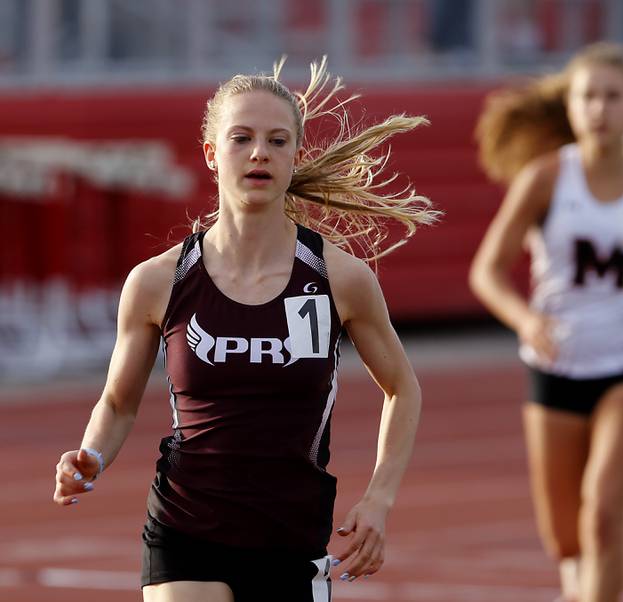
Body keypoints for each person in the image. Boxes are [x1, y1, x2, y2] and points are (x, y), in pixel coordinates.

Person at [53, 57, 438, 602]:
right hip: (186, 525)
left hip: (290, 533)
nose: (260, 152)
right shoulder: (158, 282)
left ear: (294, 156)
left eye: (277, 141)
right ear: (212, 154)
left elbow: (402, 388)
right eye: (242, 138)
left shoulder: (338, 278)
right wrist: (90, 455)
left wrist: (379, 497)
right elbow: (117, 404)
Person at [470, 43, 623, 602]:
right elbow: (486, 271)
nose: (600, 108)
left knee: (604, 515)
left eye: (612, 96)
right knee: (564, 538)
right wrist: (525, 318)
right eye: (589, 97)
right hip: (556, 369)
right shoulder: (545, 179)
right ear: (572, 107)